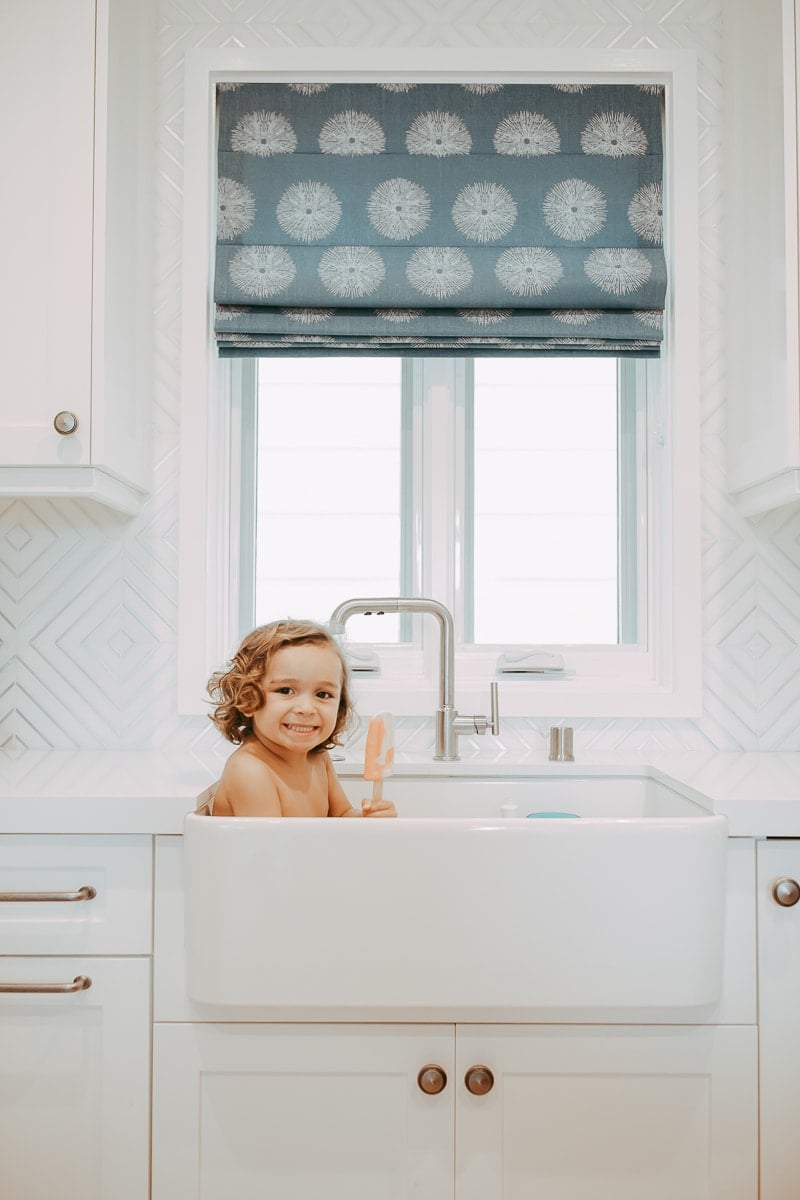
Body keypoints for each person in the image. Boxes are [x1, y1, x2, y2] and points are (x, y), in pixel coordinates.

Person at [206, 619, 397, 818]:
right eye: (286, 690)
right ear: (248, 699)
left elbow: (341, 817)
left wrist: (368, 820)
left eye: (323, 694)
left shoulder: (317, 759)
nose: (306, 709)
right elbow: (270, 848)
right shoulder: (250, 771)